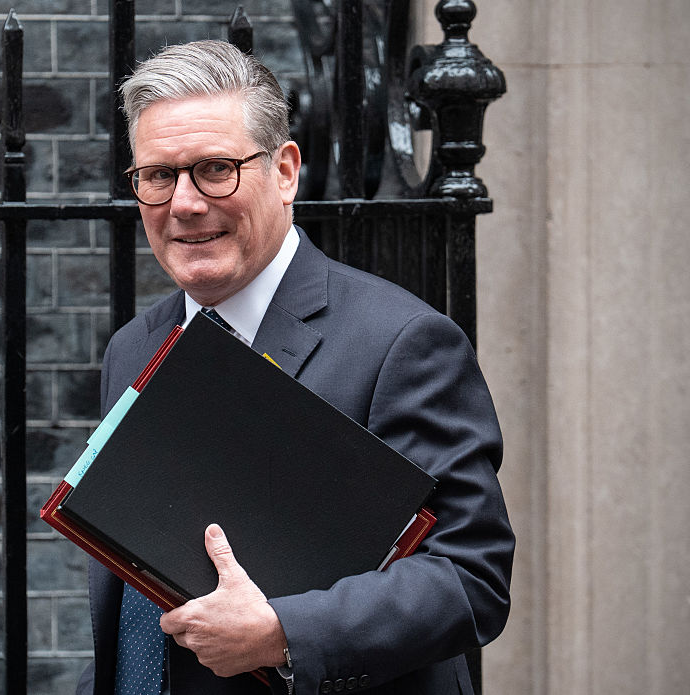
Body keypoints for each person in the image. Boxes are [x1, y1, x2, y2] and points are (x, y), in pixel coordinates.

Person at [76, 40, 514, 695]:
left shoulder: (399, 341)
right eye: (159, 175)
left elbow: (469, 577)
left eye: (216, 168)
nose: (186, 203)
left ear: (285, 171)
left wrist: (285, 630)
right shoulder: (134, 347)